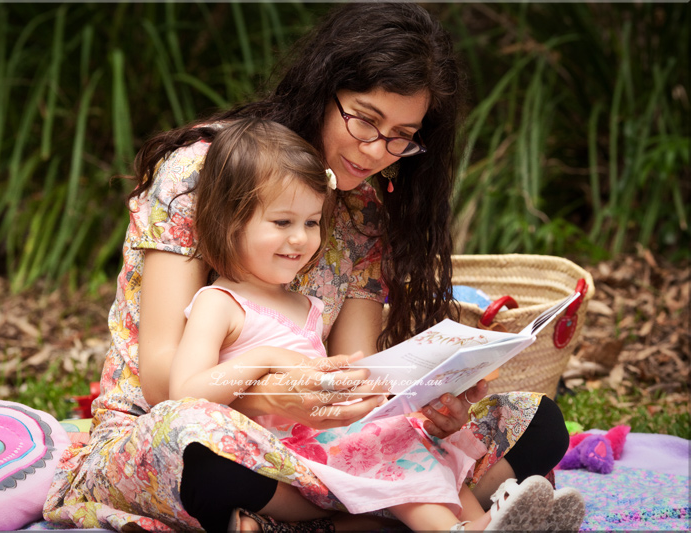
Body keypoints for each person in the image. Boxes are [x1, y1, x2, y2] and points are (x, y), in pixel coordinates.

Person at [44, 3, 582, 532]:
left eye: (401, 135)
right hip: (181, 428)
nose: (376, 151)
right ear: (322, 90)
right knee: (194, 443)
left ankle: (337, 514)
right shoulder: (203, 173)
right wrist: (268, 393)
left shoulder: (362, 210)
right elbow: (166, 384)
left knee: (534, 422)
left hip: (319, 445)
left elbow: (358, 368)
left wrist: (423, 399)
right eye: (365, 120)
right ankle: (367, 515)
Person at [170, 117, 561, 532]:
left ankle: (482, 523)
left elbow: (337, 380)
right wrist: (265, 357)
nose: (301, 239)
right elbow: (185, 394)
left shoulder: (307, 305)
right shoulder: (220, 302)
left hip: (330, 439)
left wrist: (417, 384)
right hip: (279, 454)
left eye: (311, 222)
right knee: (392, 449)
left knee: (410, 435)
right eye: (283, 223)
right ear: (230, 221)